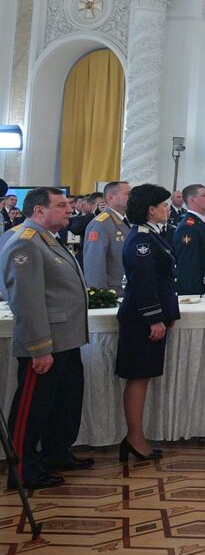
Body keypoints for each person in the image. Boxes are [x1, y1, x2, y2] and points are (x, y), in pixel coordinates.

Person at [1, 188, 90, 489]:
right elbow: (27, 302)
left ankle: (55, 453)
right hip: (45, 342)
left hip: (67, 338)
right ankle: (21, 469)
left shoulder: (48, 239)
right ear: (39, 211)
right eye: (62, 205)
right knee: (33, 408)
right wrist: (39, 348)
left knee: (63, 403)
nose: (70, 210)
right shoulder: (25, 244)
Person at [117, 184, 178, 462]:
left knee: (144, 375)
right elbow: (144, 283)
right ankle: (134, 438)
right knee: (138, 376)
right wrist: (155, 318)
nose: (167, 209)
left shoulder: (155, 236)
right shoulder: (141, 239)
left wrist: (169, 315)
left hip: (151, 318)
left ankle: (136, 437)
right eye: (163, 205)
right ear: (150, 210)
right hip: (141, 319)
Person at [173, 183, 205, 295]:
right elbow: (188, 266)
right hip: (197, 291)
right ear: (192, 200)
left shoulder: (200, 222)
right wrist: (193, 296)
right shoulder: (188, 227)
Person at [83, 179, 131, 290]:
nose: (132, 198)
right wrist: (100, 296)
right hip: (114, 292)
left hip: (128, 289)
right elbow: (94, 265)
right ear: (111, 197)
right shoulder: (101, 224)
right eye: (128, 194)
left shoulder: (126, 220)